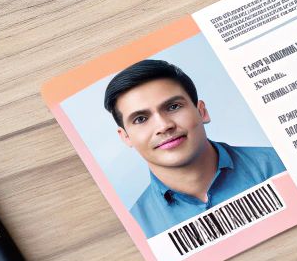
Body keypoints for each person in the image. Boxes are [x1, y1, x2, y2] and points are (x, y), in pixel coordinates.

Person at [103, 58, 285, 238]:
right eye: (141, 119)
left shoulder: (281, 165)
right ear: (126, 137)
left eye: (173, 107)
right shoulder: (136, 229)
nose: (164, 126)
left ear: (202, 112)